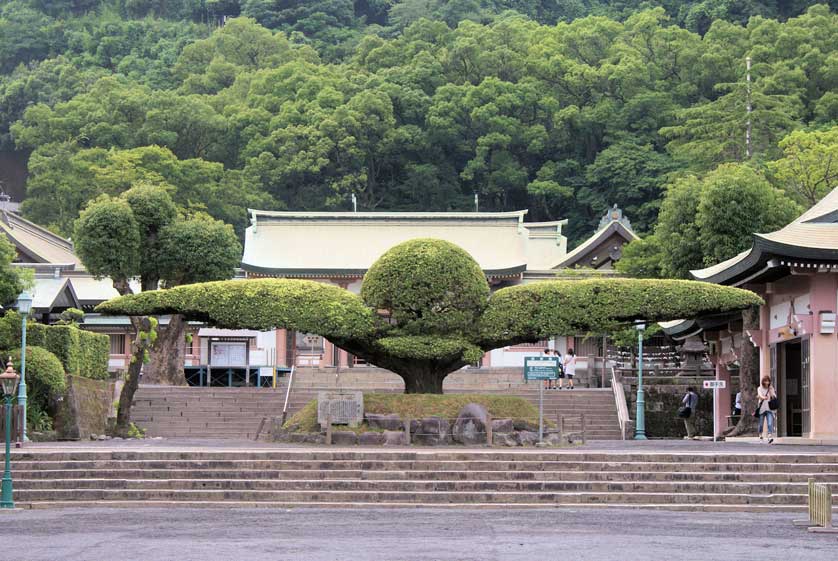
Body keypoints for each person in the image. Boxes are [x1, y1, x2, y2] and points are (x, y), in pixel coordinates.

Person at [757, 376, 777, 444]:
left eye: (768, 381)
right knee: (761, 424)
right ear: (763, 382)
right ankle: (760, 436)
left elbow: (774, 397)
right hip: (762, 409)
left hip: (769, 409)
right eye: (765, 381)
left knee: (770, 423)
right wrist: (763, 397)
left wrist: (771, 390)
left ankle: (769, 437)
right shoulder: (759, 388)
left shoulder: (771, 388)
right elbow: (760, 395)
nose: (767, 382)